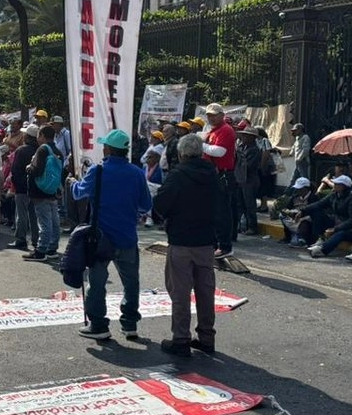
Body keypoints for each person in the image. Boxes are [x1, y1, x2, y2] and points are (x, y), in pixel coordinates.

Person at [68, 129, 152, 341]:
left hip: (101, 238)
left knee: (97, 283)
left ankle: (98, 325)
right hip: (127, 237)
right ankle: (130, 323)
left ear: (107, 149)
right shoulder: (136, 173)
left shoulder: (98, 170)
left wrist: (72, 182)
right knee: (131, 283)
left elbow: (79, 193)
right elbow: (146, 204)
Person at [152, 133, 223, 357]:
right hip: (206, 241)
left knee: (180, 293)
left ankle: (181, 338)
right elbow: (224, 208)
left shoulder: (177, 176)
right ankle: (206, 337)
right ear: (201, 152)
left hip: (182, 241)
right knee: (205, 292)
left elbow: (161, 205)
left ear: (181, 153)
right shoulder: (213, 175)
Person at [202, 103, 239, 258]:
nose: (211, 117)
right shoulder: (214, 131)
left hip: (223, 174)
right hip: (214, 174)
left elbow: (220, 152)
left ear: (222, 115)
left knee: (222, 212)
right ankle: (214, 244)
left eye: (214, 114)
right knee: (212, 211)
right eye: (209, 115)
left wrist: (201, 145)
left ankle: (225, 246)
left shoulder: (226, 130)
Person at [24, 124, 64, 260]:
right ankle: (52, 248)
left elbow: (37, 171)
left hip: (40, 191)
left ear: (42, 135)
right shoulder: (58, 151)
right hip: (52, 189)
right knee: (54, 221)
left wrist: (29, 168)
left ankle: (40, 251)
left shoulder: (42, 150)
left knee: (44, 222)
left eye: (39, 135)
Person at [302, 175, 352, 259]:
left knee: (340, 234)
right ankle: (320, 239)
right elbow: (319, 204)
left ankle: (322, 250)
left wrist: (335, 229)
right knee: (316, 212)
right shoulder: (334, 195)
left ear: (344, 186)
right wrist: (302, 211)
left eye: (337, 184)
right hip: (337, 222)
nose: (334, 185)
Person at [7, 125, 40, 251]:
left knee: (21, 214)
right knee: (33, 215)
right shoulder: (39, 150)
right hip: (35, 187)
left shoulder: (21, 150)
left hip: (22, 188)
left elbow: (15, 170)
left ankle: (21, 239)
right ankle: (36, 240)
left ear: (27, 136)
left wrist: (17, 184)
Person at [235, 126, 261, 235]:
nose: (243, 137)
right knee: (240, 204)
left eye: (246, 136)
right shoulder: (241, 147)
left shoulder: (254, 150)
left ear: (252, 138)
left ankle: (252, 227)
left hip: (250, 179)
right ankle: (242, 225)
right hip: (241, 178)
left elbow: (248, 166)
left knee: (249, 204)